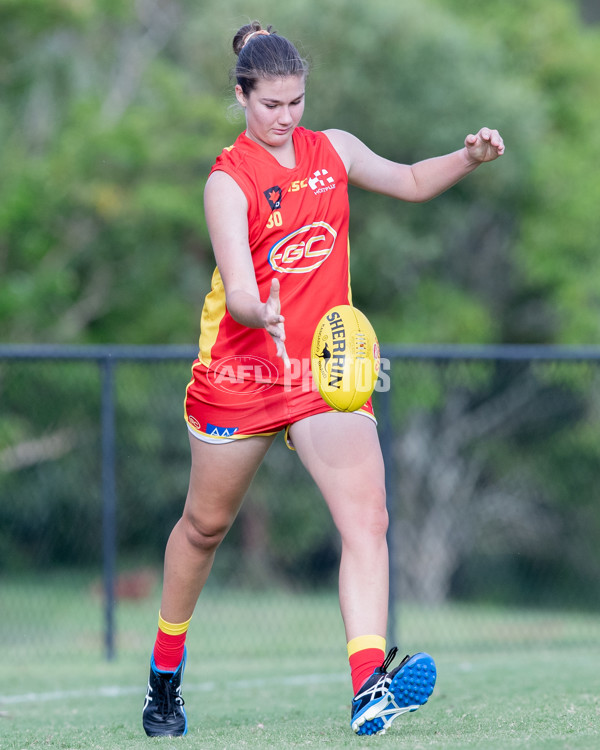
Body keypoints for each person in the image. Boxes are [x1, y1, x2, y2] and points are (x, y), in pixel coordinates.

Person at [142, 20, 505, 738]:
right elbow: (240, 291)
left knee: (367, 519)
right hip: (241, 370)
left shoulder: (331, 151)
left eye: (297, 101)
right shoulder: (227, 181)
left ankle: (369, 687)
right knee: (204, 527)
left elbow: (405, 181)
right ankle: (163, 678)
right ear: (242, 95)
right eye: (272, 104)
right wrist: (259, 309)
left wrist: (466, 158)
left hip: (324, 372)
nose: (286, 116)